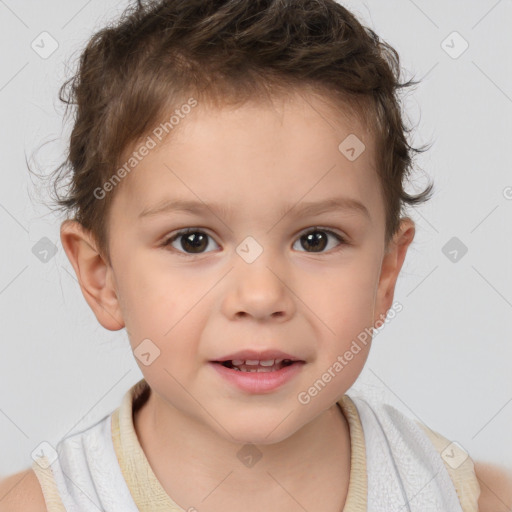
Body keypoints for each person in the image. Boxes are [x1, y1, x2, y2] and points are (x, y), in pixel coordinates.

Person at [1, 0, 511, 510]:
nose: (262, 296)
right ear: (101, 277)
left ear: (384, 273)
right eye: (193, 240)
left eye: (316, 239)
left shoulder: (467, 497)